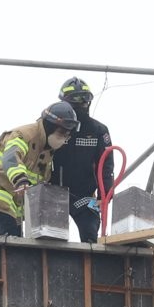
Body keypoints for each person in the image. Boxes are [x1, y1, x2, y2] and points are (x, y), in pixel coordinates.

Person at [0, 102, 80, 237]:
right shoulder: (23, 135)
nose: (63, 138)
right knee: (11, 235)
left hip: (15, 198)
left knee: (17, 238)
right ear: (50, 126)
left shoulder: (48, 149)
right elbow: (11, 158)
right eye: (61, 132)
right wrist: (21, 180)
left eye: (67, 135)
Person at [51, 77, 114, 242]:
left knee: (90, 235)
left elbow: (106, 165)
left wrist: (104, 196)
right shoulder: (54, 125)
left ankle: (93, 265)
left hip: (84, 195)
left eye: (84, 101)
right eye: (76, 102)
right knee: (50, 237)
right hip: (54, 191)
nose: (81, 105)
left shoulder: (98, 130)